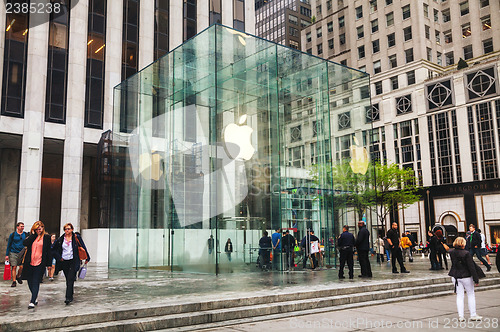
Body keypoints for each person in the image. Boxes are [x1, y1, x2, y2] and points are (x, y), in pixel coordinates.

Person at [52, 223, 90, 305]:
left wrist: (87, 257)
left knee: (70, 278)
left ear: (72, 229)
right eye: (65, 229)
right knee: (68, 279)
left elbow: (83, 246)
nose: (67, 230)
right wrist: (59, 257)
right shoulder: (61, 239)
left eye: (69, 229)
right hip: (64, 261)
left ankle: (68, 297)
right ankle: (70, 294)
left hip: (74, 260)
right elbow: (53, 249)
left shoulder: (76, 237)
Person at [449, 237, 483, 322]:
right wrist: (476, 278)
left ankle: (461, 316)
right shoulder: (466, 253)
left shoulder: (451, 252)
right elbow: (471, 267)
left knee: (459, 296)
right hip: (466, 276)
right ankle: (473, 314)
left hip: (455, 275)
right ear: (463, 244)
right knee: (470, 294)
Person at [21, 221, 52, 309]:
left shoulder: (46, 237)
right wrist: (34, 235)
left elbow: (49, 251)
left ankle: (32, 300)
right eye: (36, 229)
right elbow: (25, 243)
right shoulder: (31, 237)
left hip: (40, 263)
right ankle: (35, 296)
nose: (38, 230)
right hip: (29, 262)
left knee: (36, 281)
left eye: (40, 229)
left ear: (43, 228)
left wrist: (49, 264)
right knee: (29, 281)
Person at [5, 222, 28, 287]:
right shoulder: (12, 235)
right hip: (13, 252)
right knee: (14, 266)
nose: (22, 227)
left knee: (21, 266)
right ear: (17, 227)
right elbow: (9, 245)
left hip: (22, 252)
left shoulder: (25, 234)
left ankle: (18, 276)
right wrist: (7, 255)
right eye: (21, 226)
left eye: (23, 226)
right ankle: (14, 281)